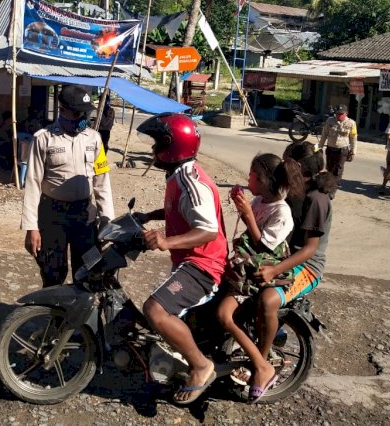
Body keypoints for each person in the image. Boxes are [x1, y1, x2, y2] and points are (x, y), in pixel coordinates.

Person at [133, 113, 228, 405]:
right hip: (190, 262)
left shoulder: (191, 181)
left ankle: (201, 366)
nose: (152, 151)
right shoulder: (178, 175)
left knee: (155, 310)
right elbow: (179, 210)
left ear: (171, 146)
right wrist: (148, 216)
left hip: (204, 266)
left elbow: (208, 230)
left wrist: (166, 241)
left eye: (157, 143)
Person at [216, 153, 305, 403]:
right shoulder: (260, 200)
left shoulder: (282, 212)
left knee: (224, 314)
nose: (249, 179)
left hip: (259, 274)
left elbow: (262, 246)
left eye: (253, 176)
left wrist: (247, 214)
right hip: (246, 267)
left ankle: (261, 365)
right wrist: (242, 205)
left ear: (265, 179)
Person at [21, 85, 115, 287]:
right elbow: (33, 184)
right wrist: (31, 227)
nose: (84, 118)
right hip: (53, 216)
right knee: (53, 275)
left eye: (85, 113)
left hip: (85, 216)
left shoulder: (94, 138)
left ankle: (79, 318)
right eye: (78, 113)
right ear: (62, 110)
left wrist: (107, 220)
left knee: (89, 272)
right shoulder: (43, 138)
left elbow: (102, 182)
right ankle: (54, 317)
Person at [254, 142, 334, 374]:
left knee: (268, 300)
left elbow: (309, 249)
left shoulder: (317, 199)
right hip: (285, 256)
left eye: (284, 161)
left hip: (307, 266)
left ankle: (261, 364)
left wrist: (274, 270)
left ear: (296, 166)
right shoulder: (295, 190)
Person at [317, 104, 357, 195]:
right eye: (337, 114)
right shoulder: (330, 120)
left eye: (341, 114)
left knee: (338, 171)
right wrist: (319, 147)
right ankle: (327, 187)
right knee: (329, 169)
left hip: (342, 150)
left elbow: (353, 138)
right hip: (330, 149)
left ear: (346, 113)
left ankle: (333, 190)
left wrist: (353, 151)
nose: (339, 116)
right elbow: (324, 134)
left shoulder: (351, 123)